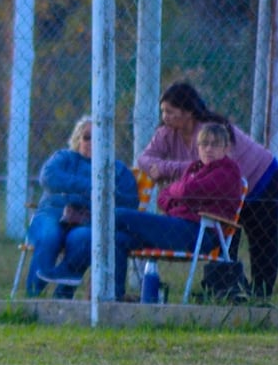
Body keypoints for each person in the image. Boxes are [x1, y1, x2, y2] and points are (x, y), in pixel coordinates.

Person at [43, 123, 242, 300]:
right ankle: (113, 297)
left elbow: (187, 190)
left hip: (197, 233)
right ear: (197, 147)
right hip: (175, 227)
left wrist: (178, 193)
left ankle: (74, 249)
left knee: (118, 215)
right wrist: (179, 196)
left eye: (215, 144)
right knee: (117, 239)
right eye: (204, 144)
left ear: (226, 148)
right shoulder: (194, 168)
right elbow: (163, 197)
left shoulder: (227, 171)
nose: (208, 149)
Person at [137, 82, 278, 298]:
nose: (165, 117)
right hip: (223, 190)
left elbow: (210, 168)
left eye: (170, 112)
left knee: (261, 238)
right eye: (163, 111)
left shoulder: (210, 132)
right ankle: (228, 291)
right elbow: (144, 159)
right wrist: (168, 170)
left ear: (188, 112)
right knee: (225, 239)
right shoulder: (166, 134)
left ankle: (261, 294)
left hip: (260, 177)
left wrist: (166, 169)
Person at [26, 116, 139, 298]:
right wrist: (93, 188)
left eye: (98, 137)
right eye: (87, 137)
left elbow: (129, 201)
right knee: (50, 236)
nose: (92, 142)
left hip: (88, 220)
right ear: (77, 139)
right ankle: (32, 298)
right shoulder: (64, 158)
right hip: (52, 213)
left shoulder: (117, 169)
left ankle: (62, 297)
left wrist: (83, 202)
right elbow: (48, 178)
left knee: (83, 238)